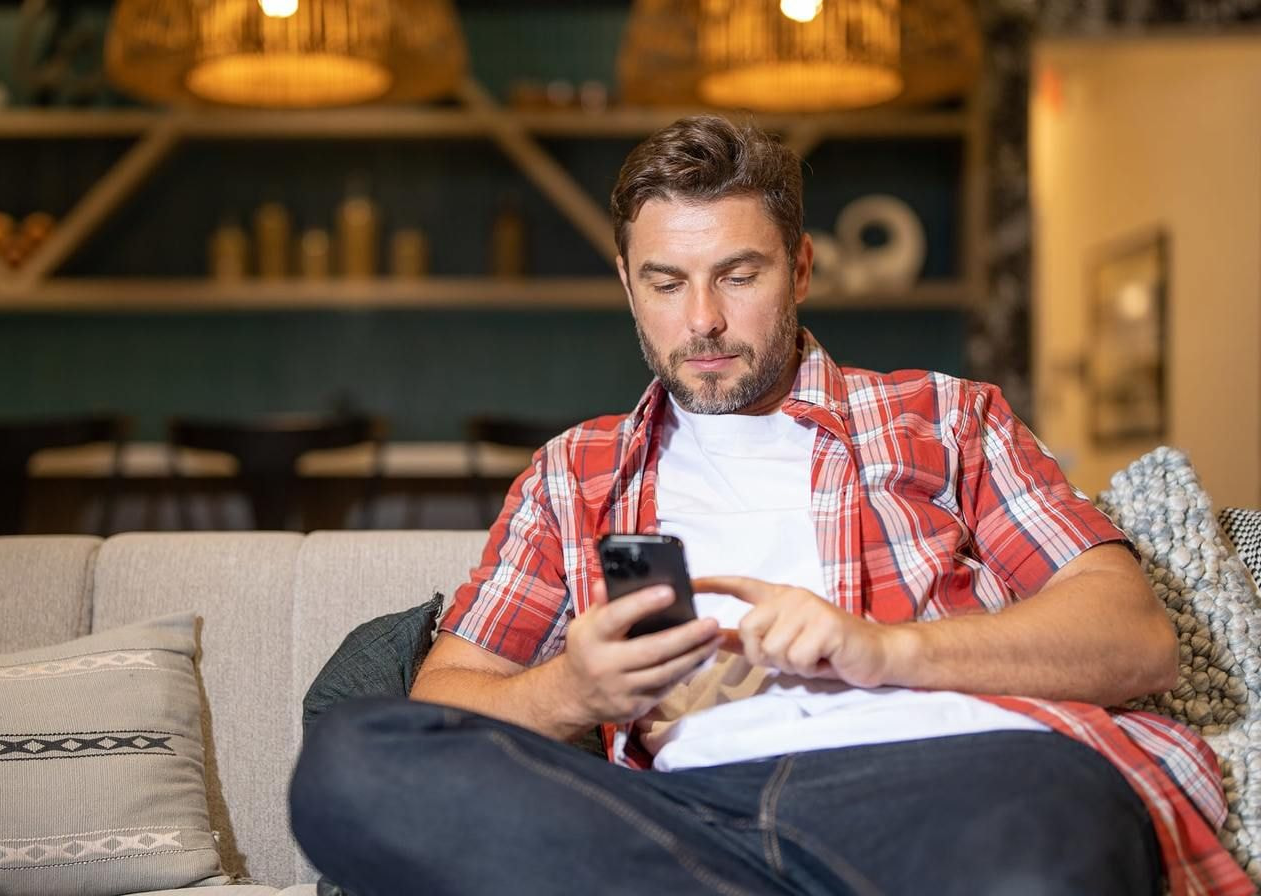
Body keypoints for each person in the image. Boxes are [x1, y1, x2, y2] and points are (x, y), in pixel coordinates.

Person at [290, 116, 1251, 896]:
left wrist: (883, 649)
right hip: (684, 826)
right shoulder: (572, 474)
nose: (702, 320)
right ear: (628, 284)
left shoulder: (947, 417)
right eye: (666, 283)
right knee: (355, 763)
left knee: (1049, 832)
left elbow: (1132, 639)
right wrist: (573, 692)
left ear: (801, 267)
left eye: (738, 276)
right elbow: (447, 704)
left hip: (954, 788)